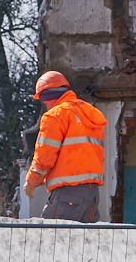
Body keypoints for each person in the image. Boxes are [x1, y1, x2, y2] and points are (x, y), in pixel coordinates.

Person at [24, 72, 106, 222]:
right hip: (91, 194)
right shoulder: (90, 112)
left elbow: (44, 157)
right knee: (84, 243)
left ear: (47, 96)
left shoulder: (55, 115)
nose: (45, 105)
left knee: (53, 240)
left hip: (68, 195)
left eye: (43, 100)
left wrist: (31, 182)